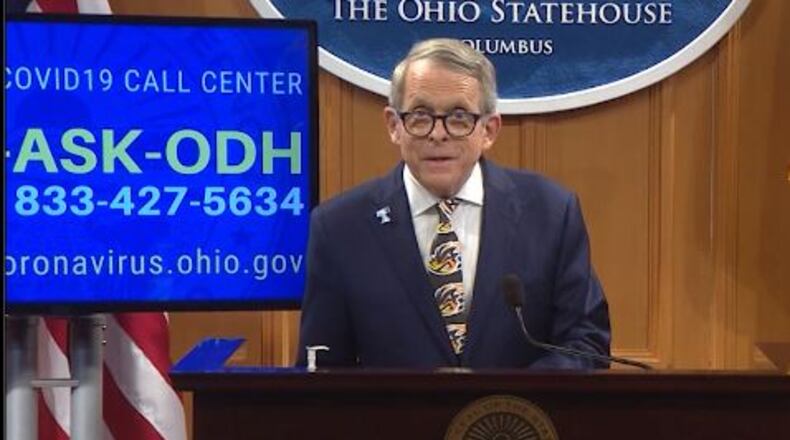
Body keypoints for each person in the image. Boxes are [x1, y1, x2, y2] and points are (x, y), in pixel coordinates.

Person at [297, 38, 610, 369]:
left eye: (459, 117)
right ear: (394, 126)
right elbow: (321, 368)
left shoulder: (550, 213)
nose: (438, 134)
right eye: (420, 116)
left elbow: (585, 343)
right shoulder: (339, 228)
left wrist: (512, 393)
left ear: (489, 130)